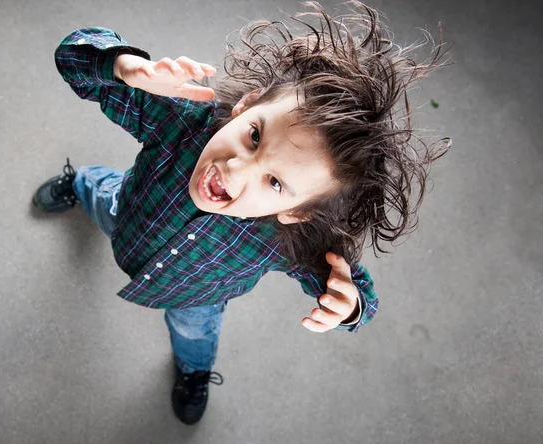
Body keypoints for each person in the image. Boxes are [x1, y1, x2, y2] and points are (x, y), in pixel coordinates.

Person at [33, 1, 448, 425]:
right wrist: (124, 66)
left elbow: (349, 285)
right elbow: (72, 58)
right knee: (101, 194)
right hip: (126, 216)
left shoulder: (291, 243)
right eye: (254, 135)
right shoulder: (184, 122)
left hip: (196, 297)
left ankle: (193, 372)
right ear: (248, 104)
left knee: (195, 335)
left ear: (298, 213)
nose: (235, 169)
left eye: (275, 183)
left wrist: (351, 305)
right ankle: (81, 181)